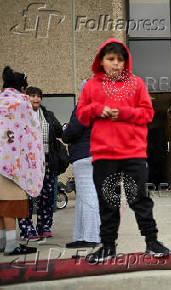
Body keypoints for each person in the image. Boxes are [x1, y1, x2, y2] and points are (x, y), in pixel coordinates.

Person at [76, 38, 169, 262]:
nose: (116, 63)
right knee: (108, 202)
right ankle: (108, 247)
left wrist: (123, 113)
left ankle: (151, 242)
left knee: (140, 199)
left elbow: (147, 114)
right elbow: (81, 115)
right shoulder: (91, 86)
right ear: (101, 61)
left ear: (125, 62)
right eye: (110, 59)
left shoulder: (137, 84)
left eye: (120, 59)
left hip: (133, 153)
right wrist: (98, 109)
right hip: (104, 154)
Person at [0, 66, 44, 255]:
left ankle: (2, 241)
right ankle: (11, 244)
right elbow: (31, 133)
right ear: (23, 88)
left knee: (0, 202)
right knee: (11, 203)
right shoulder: (22, 102)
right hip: (13, 162)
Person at [18, 86, 63, 240]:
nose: (36, 99)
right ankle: (27, 229)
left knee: (47, 197)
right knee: (28, 197)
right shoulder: (21, 115)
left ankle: (44, 226)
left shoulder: (47, 115)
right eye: (32, 96)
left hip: (47, 162)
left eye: (38, 96)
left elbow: (59, 131)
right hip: (28, 164)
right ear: (26, 98)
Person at [62, 80, 100, 248]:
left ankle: (91, 236)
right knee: (85, 198)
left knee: (87, 196)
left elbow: (74, 130)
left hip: (84, 156)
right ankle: (81, 235)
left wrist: (65, 132)